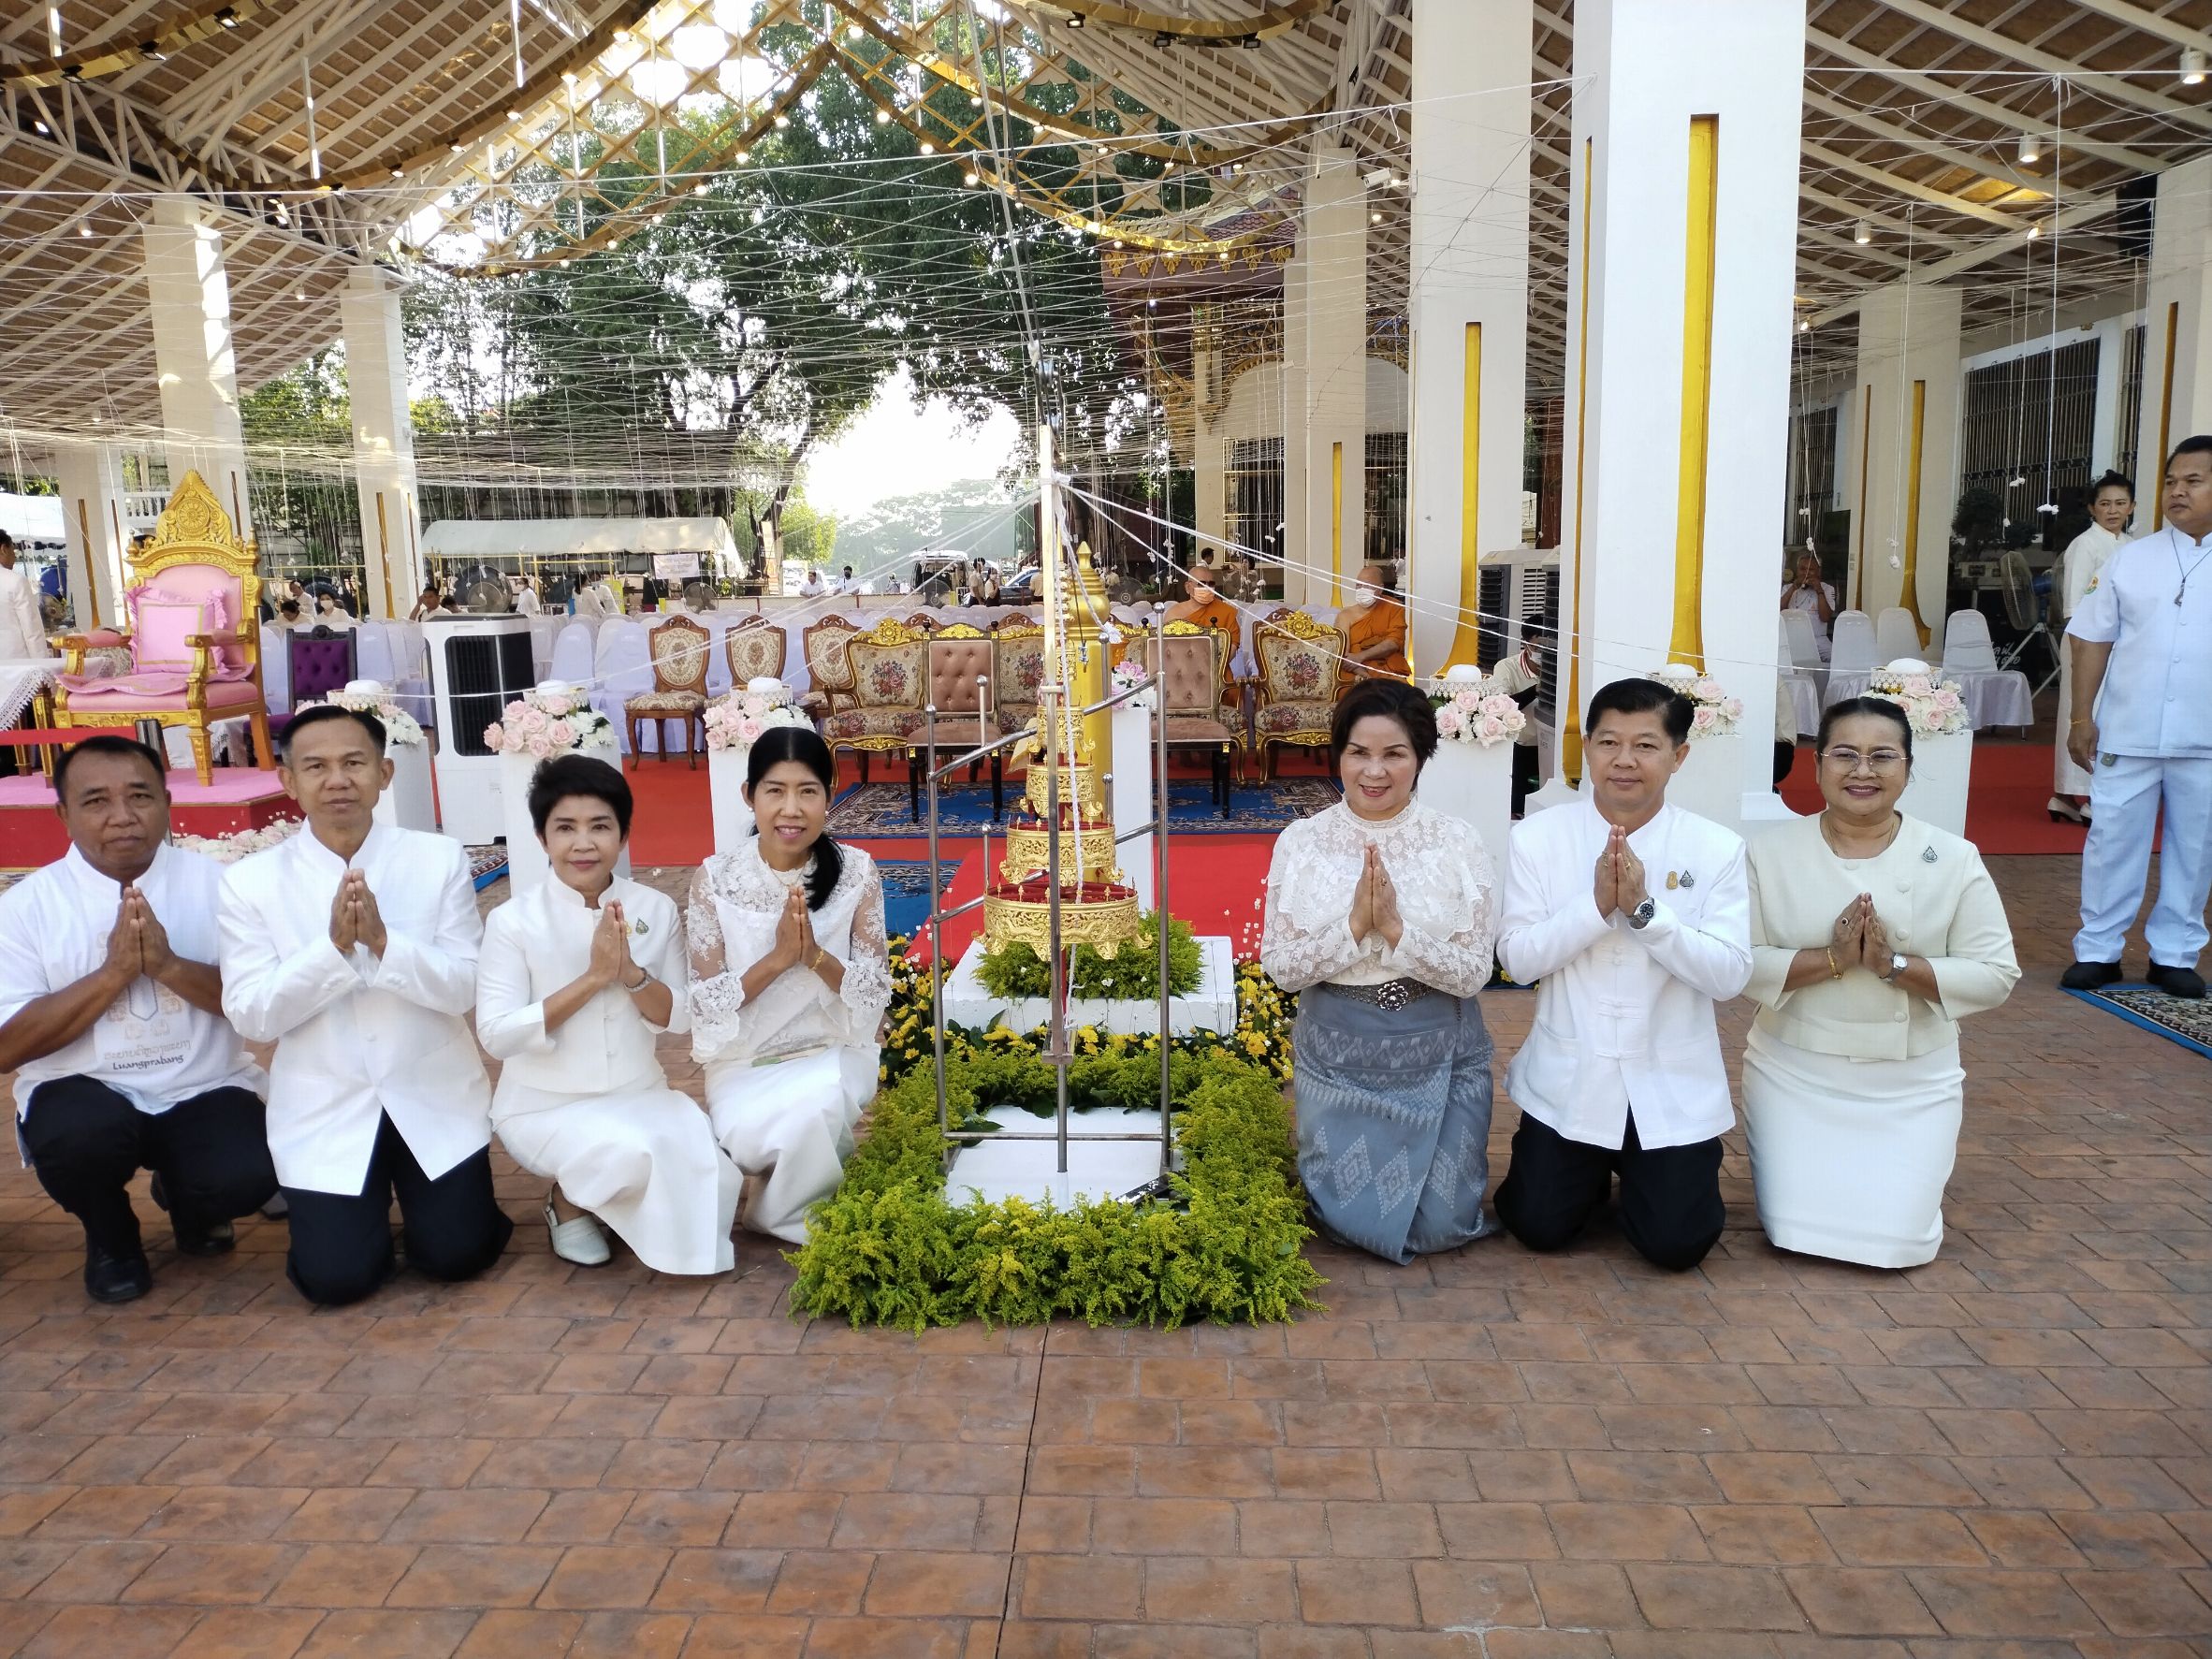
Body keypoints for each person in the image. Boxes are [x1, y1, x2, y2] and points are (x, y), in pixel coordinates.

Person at [218, 705, 511, 1303]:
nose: (337, 781)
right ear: (288, 781)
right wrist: (331, 952)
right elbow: (252, 1015)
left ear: (384, 773)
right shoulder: (250, 882)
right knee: (337, 1281)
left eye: (354, 763)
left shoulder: (436, 860)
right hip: (324, 1106)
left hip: (431, 1091)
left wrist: (384, 945)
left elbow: (465, 987)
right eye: (316, 767)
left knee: (457, 1256)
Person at [1741, 698, 2018, 1268]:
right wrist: (1832, 959)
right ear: (1817, 764)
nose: (1862, 771)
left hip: (1914, 1081)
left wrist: (1894, 966)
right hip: (1796, 1071)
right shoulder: (1768, 852)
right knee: (1792, 1232)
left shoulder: (1952, 857)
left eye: (1882, 756)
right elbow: (1738, 962)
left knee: (1901, 1243)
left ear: (1908, 768)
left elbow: (1996, 974)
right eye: (1845, 754)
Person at [0, 736, 275, 1302]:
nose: (122, 816)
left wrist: (169, 967)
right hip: (85, 1091)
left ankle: (193, 1201)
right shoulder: (26, 908)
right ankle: (111, 1237)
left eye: (140, 796)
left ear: (167, 802)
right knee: (77, 1139)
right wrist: (113, 975)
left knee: (247, 1174)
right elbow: (7, 1048)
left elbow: (267, 1007)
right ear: (63, 814)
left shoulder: (223, 887)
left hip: (202, 1083)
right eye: (96, 801)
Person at [1492, 678, 1752, 1271]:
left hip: (1668, 1078)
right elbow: (1518, 960)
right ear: (1588, 749)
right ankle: (1584, 1176)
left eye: (1646, 745)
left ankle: (1648, 1178)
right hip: (1572, 1075)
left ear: (1679, 756)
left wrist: (1645, 913)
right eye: (1609, 742)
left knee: (1676, 1246)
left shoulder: (1716, 847)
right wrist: (1593, 909)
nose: (1624, 761)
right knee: (1537, 1226)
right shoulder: (1538, 838)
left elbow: (1730, 976)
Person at [1260, 679, 1500, 1263]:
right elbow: (1282, 967)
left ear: (1420, 758)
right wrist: (1351, 929)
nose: (1375, 771)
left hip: (1439, 1049)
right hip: (1339, 1055)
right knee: (1347, 1223)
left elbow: (1473, 974)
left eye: (1394, 754)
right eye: (1359, 753)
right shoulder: (1302, 841)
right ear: (1338, 755)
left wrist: (1396, 931)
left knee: (1442, 1226)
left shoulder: (1457, 842)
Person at [478, 756, 737, 1273]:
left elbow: (680, 1018)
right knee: (630, 1153)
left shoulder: (655, 908)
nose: (583, 843)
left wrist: (631, 975)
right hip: (545, 1105)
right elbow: (496, 1035)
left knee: (709, 1164)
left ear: (623, 835)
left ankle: (607, 1201)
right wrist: (594, 978)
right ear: (541, 837)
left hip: (638, 1091)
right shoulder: (512, 922)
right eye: (565, 828)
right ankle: (568, 1202)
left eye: (600, 826)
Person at [686, 726, 891, 1243]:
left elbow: (873, 991)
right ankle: (799, 1193)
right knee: (763, 1132)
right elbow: (707, 1005)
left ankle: (778, 1213)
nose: (791, 809)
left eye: (807, 791)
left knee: (819, 1105)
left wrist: (815, 956)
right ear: (749, 796)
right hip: (745, 1062)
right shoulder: (716, 879)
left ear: (829, 795)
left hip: (830, 1051)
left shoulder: (858, 872)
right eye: (775, 791)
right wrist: (778, 960)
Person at [2062, 436, 2212, 998]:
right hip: (2128, 727)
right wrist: (2081, 718)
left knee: (2195, 847)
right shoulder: (2132, 557)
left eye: (2193, 481)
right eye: (2171, 481)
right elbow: (2090, 638)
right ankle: (2098, 950)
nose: (2177, 491)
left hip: (2205, 735)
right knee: (2112, 841)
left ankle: (2174, 954)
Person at [2048, 471, 2134, 823]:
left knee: (2109, 713)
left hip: (2119, 643)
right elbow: (2074, 605)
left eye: (2120, 503)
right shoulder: (2085, 545)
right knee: (2082, 712)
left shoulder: (2132, 545)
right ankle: (2079, 793)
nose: (2112, 510)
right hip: (2085, 640)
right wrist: (2080, 653)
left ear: (2131, 507)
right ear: (2092, 508)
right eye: (2105, 504)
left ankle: (2072, 796)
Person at [1488, 626, 1550, 817]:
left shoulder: (1559, 666)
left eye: (1549, 648)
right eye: (1538, 647)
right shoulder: (1506, 668)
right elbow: (1501, 706)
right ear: (1526, 644)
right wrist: (1535, 690)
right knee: (1517, 806)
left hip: (1550, 744)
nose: (1543, 653)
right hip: (1521, 744)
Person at [1338, 560, 1412, 689]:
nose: (1361, 590)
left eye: (1367, 586)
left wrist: (1360, 657)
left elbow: (1393, 643)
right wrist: (1366, 676)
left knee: (1403, 693)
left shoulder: (1394, 608)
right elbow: (1343, 656)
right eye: (1358, 585)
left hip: (1386, 670)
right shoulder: (1345, 615)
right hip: (1355, 672)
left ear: (1380, 589)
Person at [0, 528, 51, 661]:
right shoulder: (15, 581)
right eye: (13, 551)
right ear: (3, 549)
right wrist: (42, 666)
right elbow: (32, 630)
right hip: (16, 663)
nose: (15, 556)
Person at [1780, 551, 1839, 661]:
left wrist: (1819, 590)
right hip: (1791, 639)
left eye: (1811, 570)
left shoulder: (1827, 589)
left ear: (1818, 572)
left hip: (1818, 640)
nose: (1806, 573)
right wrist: (1793, 588)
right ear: (1797, 570)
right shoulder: (1787, 588)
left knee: (1837, 659)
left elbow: (1825, 617)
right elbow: (1779, 610)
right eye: (1802, 569)